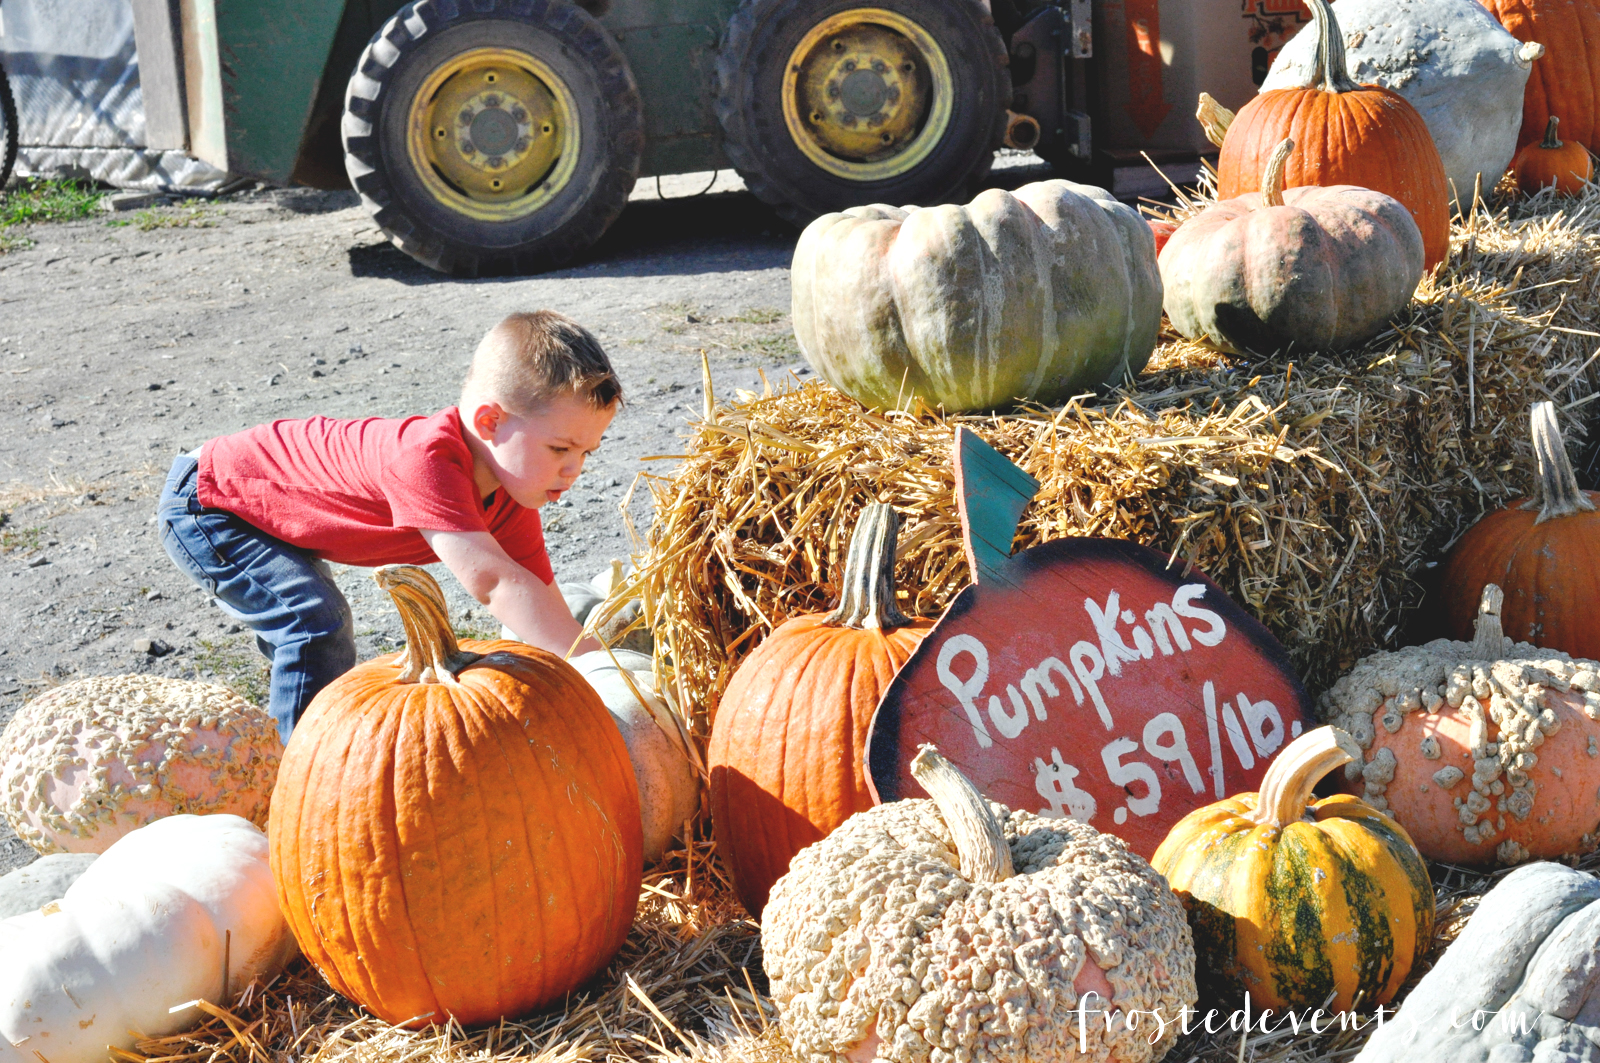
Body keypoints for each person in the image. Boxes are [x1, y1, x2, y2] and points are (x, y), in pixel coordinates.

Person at [156, 310, 618, 743]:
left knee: (311, 624)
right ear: (490, 421)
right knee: (312, 622)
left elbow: (540, 599)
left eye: (587, 452)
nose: (574, 469)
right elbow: (495, 584)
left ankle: (302, 735)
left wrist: (604, 672)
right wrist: (605, 673)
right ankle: (293, 768)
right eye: (560, 449)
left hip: (261, 504)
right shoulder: (425, 462)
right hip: (212, 500)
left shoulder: (510, 493)